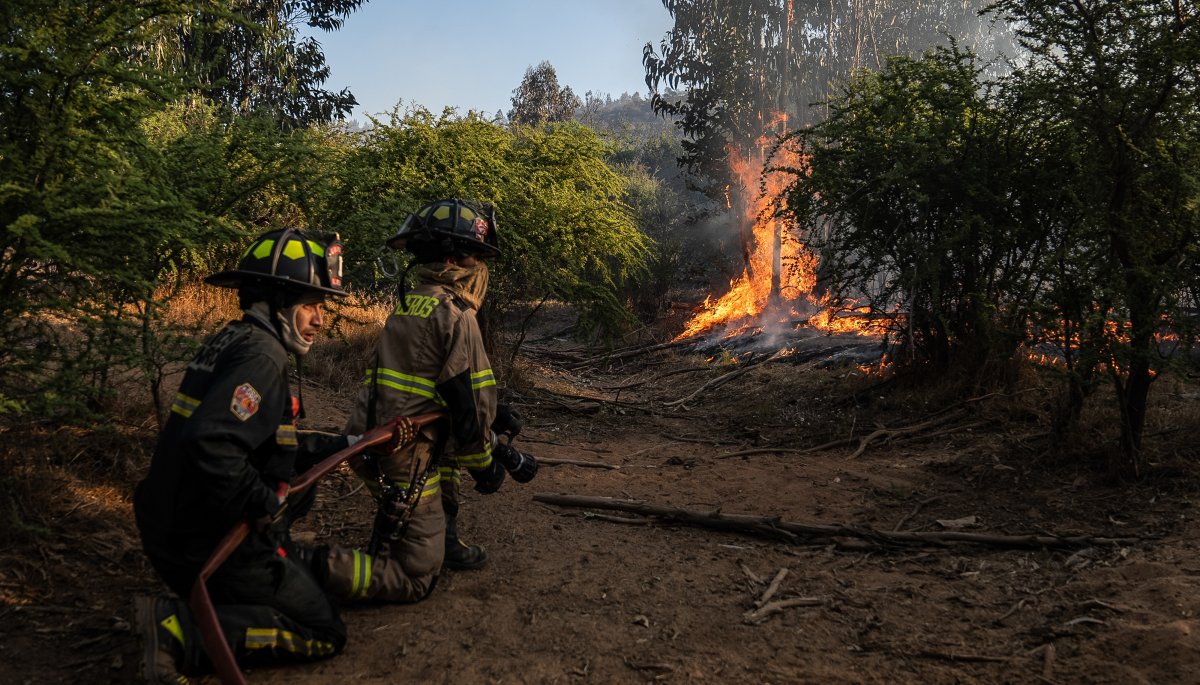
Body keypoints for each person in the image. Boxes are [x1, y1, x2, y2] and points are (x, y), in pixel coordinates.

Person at [132, 228, 400, 683]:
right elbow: (211, 442)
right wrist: (263, 501)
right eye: (310, 305)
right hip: (215, 543)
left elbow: (260, 443)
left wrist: (348, 446)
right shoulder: (261, 354)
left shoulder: (237, 339)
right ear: (277, 301)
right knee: (323, 628)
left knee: (301, 581)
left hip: (178, 528)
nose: (319, 320)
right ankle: (178, 630)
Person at [345, 198, 538, 578]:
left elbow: (438, 383)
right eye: (475, 258)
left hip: (371, 440)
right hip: (402, 453)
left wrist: (497, 415)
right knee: (419, 571)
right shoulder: (455, 315)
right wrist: (487, 467)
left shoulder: (412, 304)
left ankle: (444, 535)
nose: (480, 268)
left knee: (446, 445)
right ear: (451, 262)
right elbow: (466, 408)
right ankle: (315, 567)